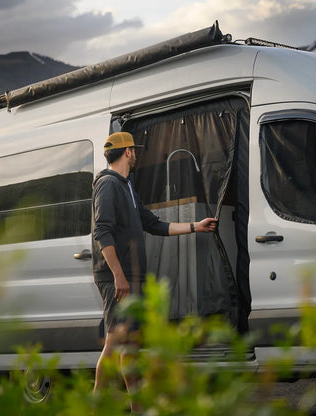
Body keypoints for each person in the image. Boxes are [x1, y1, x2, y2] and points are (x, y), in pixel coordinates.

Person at [91, 131, 217, 409]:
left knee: (129, 347)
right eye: (134, 150)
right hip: (117, 278)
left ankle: (136, 407)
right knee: (114, 346)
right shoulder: (109, 185)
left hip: (129, 277)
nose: (137, 154)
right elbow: (102, 231)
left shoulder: (126, 186)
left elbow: (155, 224)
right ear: (127, 153)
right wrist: (118, 276)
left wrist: (197, 226)